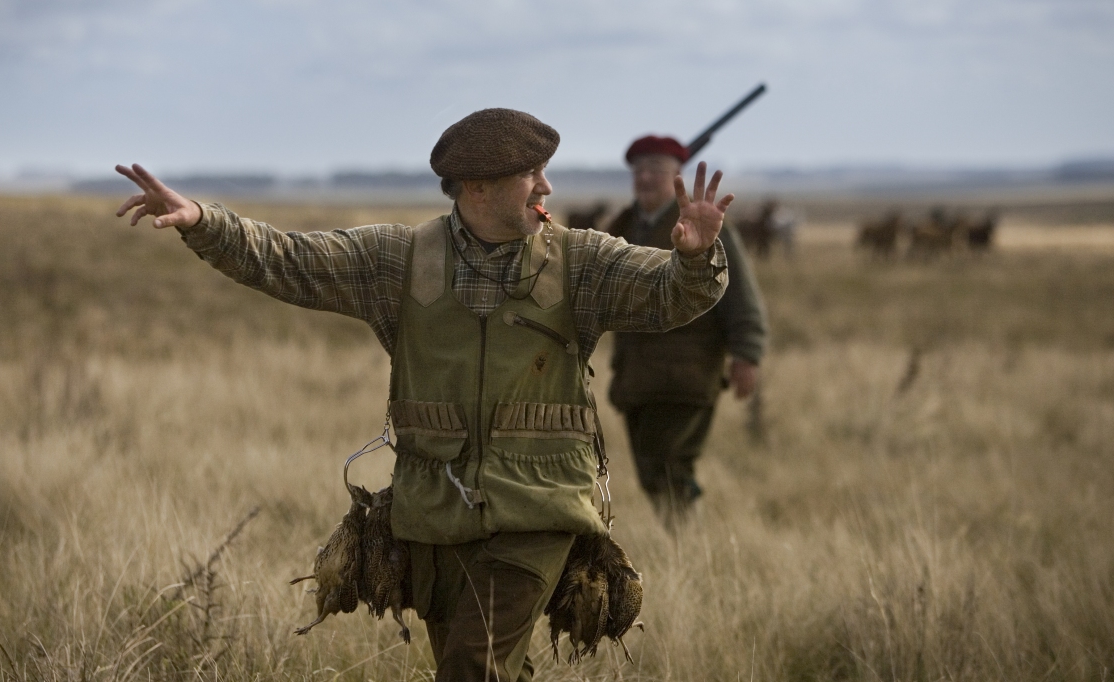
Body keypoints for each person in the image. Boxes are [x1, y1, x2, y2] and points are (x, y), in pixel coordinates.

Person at [114, 108, 736, 682]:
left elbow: (668, 296)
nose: (546, 187)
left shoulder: (581, 262)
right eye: (530, 175)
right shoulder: (400, 259)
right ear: (477, 187)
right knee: (494, 670)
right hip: (435, 514)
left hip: (540, 512)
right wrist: (202, 221)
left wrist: (695, 258)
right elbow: (290, 259)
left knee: (470, 665)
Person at [606, 135, 768, 527]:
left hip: (687, 373)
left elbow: (740, 294)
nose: (645, 177)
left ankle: (689, 546)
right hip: (637, 377)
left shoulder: (702, 223)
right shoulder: (624, 225)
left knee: (671, 466)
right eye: (638, 169)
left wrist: (747, 354)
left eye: (656, 170)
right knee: (651, 472)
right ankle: (683, 544)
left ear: (676, 176)